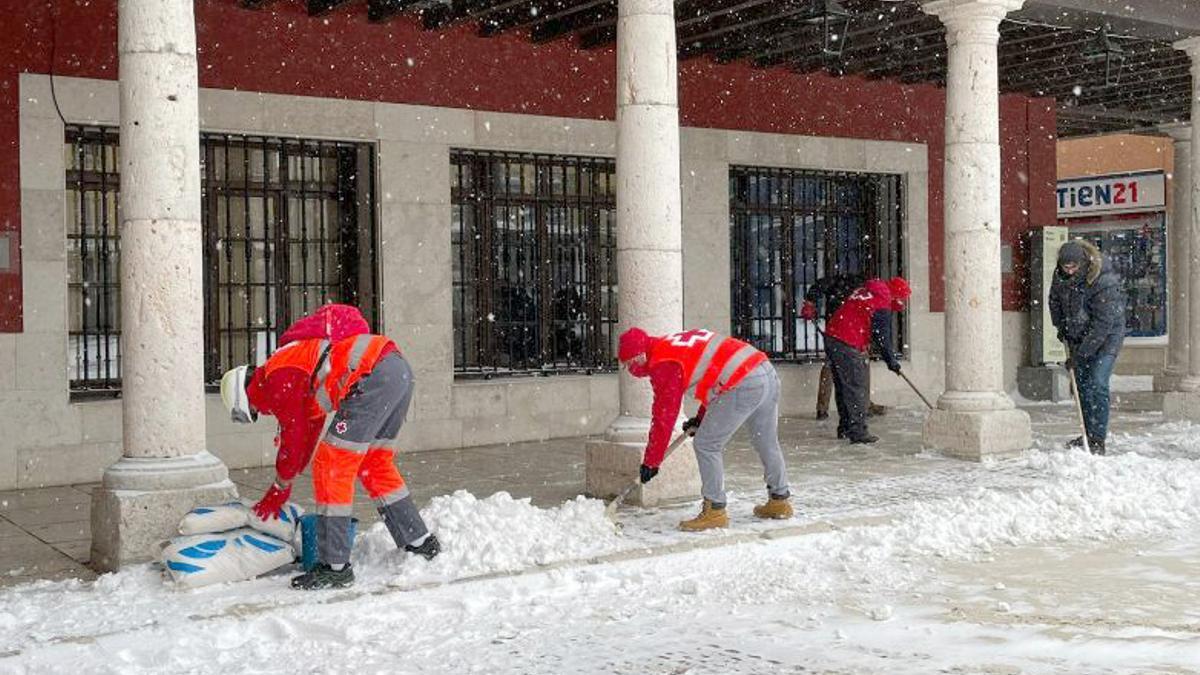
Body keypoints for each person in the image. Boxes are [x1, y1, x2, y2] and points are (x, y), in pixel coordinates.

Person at [220, 304, 440, 590]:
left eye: (252, 411)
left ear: (244, 394)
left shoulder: (275, 378)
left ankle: (334, 567)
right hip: (395, 370)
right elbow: (307, 434)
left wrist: (280, 485)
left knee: (332, 464)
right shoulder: (290, 366)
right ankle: (419, 540)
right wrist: (286, 479)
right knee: (373, 463)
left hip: (370, 376)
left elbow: (294, 435)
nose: (261, 412)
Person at [616, 326, 792, 532]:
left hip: (743, 381)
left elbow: (664, 416)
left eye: (630, 364)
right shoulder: (670, 346)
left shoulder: (663, 363)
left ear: (641, 356)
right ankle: (779, 499)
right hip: (763, 370)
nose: (630, 370)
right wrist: (700, 419)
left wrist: (651, 461)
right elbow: (713, 376)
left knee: (706, 445)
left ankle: (714, 510)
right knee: (766, 440)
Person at [1048, 239, 1126, 456]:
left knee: (1097, 382)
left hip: (1107, 337)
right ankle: (1087, 433)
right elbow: (1054, 301)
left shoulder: (1103, 279)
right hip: (1077, 334)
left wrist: (1081, 354)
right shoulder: (1060, 276)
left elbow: (1102, 325)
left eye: (1073, 267)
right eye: (1066, 267)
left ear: (1083, 262)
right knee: (1081, 385)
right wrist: (1061, 326)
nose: (1069, 271)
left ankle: (1098, 439)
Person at [822, 277, 911, 444]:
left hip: (833, 337)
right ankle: (858, 432)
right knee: (857, 387)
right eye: (902, 299)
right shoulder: (883, 300)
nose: (902, 304)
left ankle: (846, 427)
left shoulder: (869, 292)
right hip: (847, 340)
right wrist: (891, 361)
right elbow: (882, 337)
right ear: (896, 295)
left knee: (843, 386)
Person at [800, 272, 888, 419]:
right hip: (843, 329)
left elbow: (818, 287)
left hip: (842, 329)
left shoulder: (843, 284)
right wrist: (810, 303)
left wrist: (810, 303)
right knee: (852, 365)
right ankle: (860, 405)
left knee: (837, 365)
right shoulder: (862, 290)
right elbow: (819, 287)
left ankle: (827, 408)